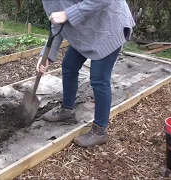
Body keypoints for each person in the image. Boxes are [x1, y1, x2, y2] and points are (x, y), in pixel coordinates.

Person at [35, 0, 136, 147]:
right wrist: (47, 55)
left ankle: (99, 130)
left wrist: (67, 14)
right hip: (85, 32)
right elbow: (57, 24)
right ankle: (67, 111)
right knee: (69, 66)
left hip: (109, 26)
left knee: (99, 78)